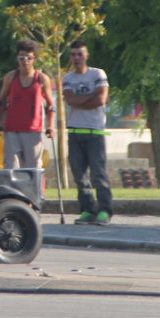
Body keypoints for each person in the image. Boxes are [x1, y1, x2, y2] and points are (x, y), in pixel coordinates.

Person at [61, 39, 112, 225]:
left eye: (80, 54)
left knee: (98, 173)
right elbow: (70, 99)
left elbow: (101, 99)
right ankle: (87, 210)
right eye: (73, 54)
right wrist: (87, 98)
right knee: (79, 176)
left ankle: (105, 210)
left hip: (95, 131)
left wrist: (81, 100)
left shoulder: (97, 74)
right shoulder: (67, 78)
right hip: (74, 131)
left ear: (86, 55)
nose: (76, 58)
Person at [0, 39, 54, 169]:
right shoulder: (10, 77)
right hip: (11, 130)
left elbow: (50, 105)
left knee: (33, 168)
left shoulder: (42, 79)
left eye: (28, 57)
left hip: (33, 131)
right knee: (11, 168)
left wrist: (50, 126)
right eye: (21, 57)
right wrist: (0, 122)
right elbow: (2, 101)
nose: (24, 60)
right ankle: (12, 190)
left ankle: (35, 190)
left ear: (34, 58)